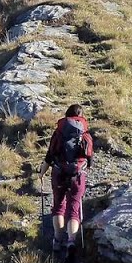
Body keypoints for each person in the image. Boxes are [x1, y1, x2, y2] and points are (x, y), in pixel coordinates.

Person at [39, 104, 93, 251]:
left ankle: (57, 240)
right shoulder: (85, 134)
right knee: (74, 208)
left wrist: (41, 173)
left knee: (58, 207)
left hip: (59, 172)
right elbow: (89, 159)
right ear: (81, 117)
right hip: (78, 174)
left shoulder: (59, 132)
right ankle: (71, 241)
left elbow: (49, 156)